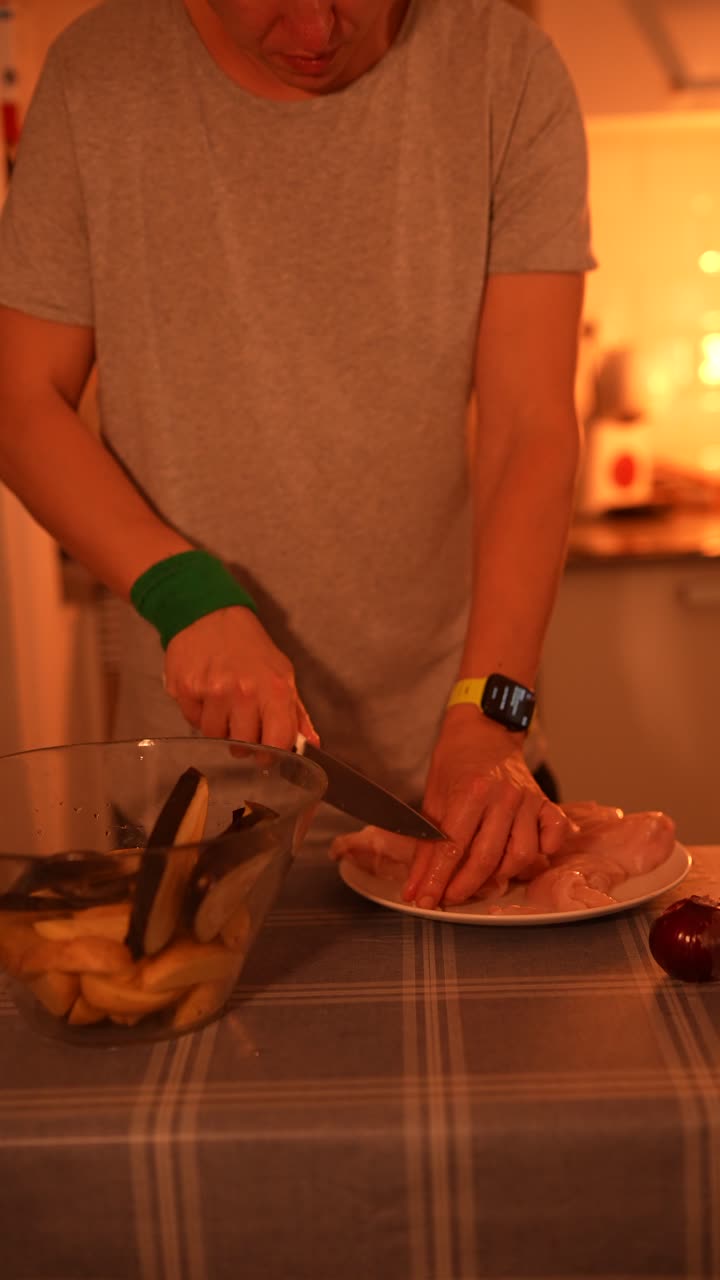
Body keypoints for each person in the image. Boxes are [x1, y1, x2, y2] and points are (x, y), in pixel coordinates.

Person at [0, 0, 595, 909]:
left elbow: (531, 430)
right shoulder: (99, 76)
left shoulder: (504, 70)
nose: (315, 32)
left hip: (458, 790)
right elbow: (19, 398)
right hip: (191, 812)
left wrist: (490, 717)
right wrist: (184, 595)